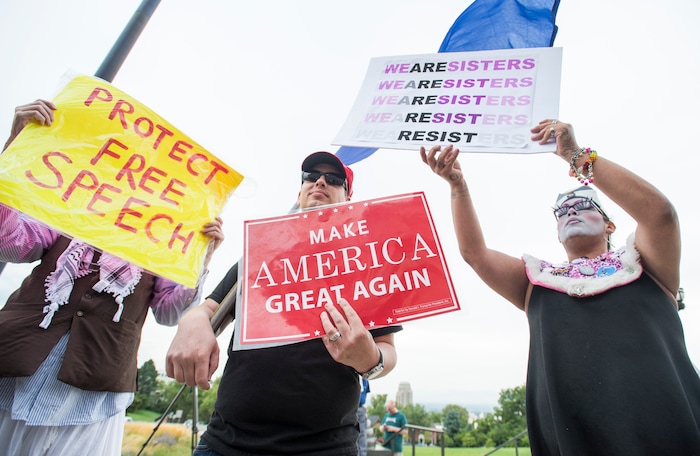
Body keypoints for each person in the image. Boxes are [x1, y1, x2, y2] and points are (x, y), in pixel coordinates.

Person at [420, 119, 700, 455]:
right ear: (556, 234)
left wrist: (576, 156)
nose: (570, 212)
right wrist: (458, 187)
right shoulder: (537, 282)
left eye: (583, 206)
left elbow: (661, 214)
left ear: (610, 224)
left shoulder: (646, 264)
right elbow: (475, 254)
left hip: (665, 436)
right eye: (561, 212)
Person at [0, 100, 225, 456]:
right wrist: (14, 150)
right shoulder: (68, 203)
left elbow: (169, 313)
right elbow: (11, 244)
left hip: (94, 385)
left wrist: (199, 257)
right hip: (16, 364)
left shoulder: (161, 239)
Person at [166, 151, 402, 456]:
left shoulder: (368, 262)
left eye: (333, 179)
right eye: (310, 177)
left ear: (348, 199)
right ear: (300, 191)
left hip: (324, 448)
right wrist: (191, 322)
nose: (319, 181)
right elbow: (209, 308)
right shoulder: (260, 252)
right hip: (225, 443)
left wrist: (370, 360)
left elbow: (388, 349)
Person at [357, 377, 370, 456]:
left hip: (360, 407)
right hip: (351, 406)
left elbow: (366, 392)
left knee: (361, 434)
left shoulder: (364, 377)